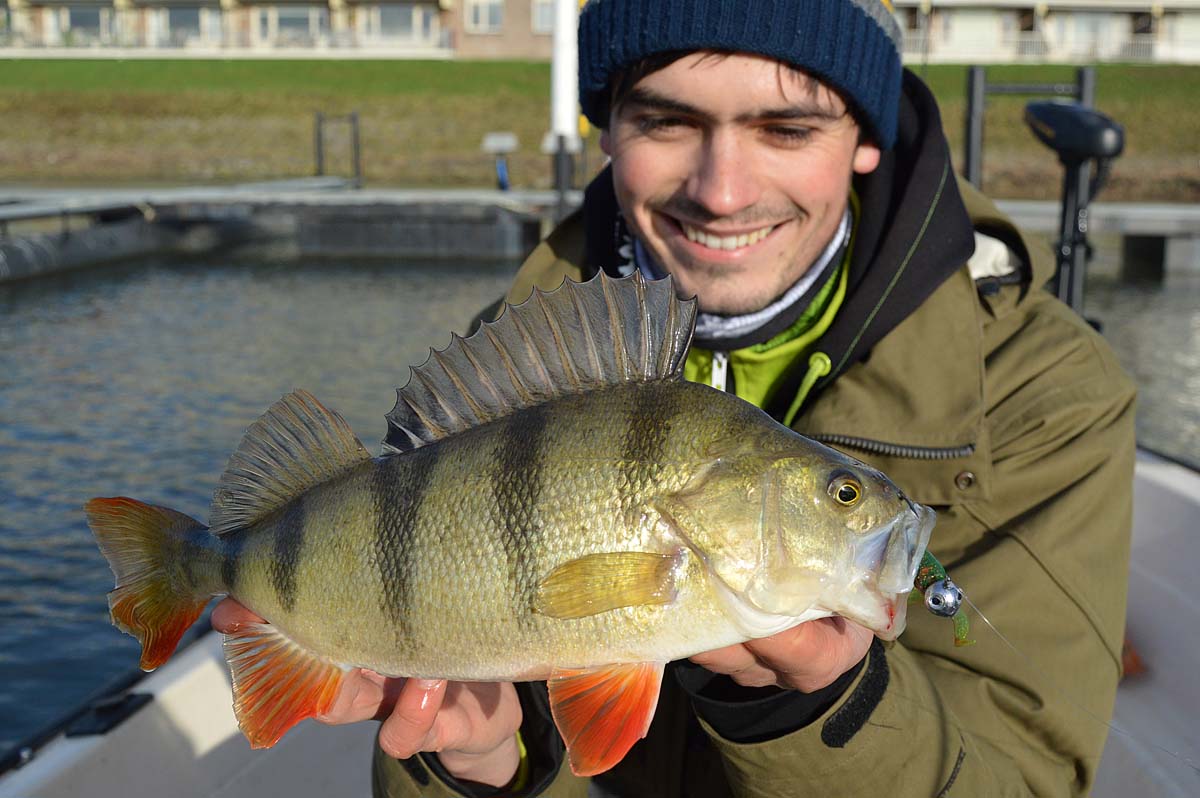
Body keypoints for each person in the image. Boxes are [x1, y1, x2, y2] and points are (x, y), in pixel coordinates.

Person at [214, 0, 1137, 794]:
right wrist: (489, 767)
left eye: (785, 129)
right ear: (607, 127)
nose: (722, 190)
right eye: (666, 120)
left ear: (865, 137)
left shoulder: (1046, 397)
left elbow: (1024, 776)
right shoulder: (520, 351)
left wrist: (813, 707)